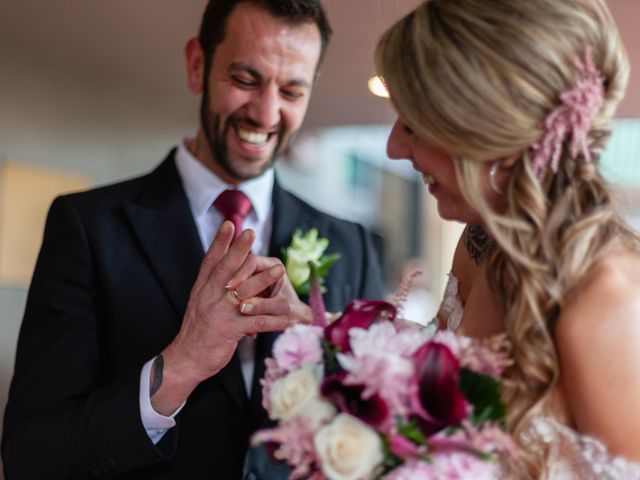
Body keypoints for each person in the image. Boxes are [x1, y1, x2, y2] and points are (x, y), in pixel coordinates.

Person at [1, 1, 384, 479]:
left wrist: (322, 344)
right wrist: (179, 366)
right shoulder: (87, 226)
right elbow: (30, 454)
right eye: (245, 79)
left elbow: (377, 431)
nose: (266, 113)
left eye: (291, 90)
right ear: (198, 65)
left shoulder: (352, 245)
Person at [376, 0, 640, 478]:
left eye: (413, 123)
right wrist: (328, 337)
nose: (394, 147)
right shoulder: (479, 243)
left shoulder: (609, 303)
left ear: (490, 129)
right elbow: (438, 385)